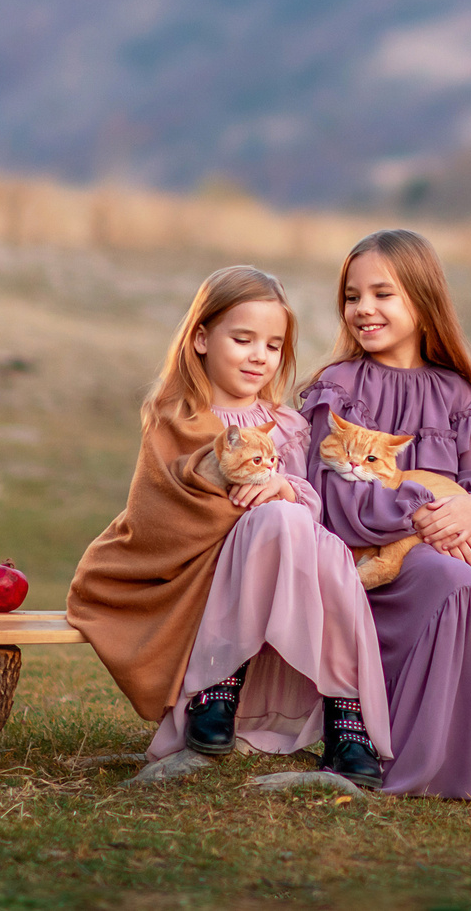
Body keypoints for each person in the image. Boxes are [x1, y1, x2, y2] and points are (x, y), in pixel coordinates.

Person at [67, 265, 388, 786]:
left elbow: (308, 506)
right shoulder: (178, 415)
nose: (260, 355)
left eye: (274, 345)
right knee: (282, 519)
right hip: (201, 572)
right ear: (200, 338)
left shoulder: (287, 425)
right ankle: (216, 684)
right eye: (243, 339)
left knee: (317, 541)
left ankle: (347, 717)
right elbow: (163, 509)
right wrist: (250, 494)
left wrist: (283, 490)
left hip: (283, 569)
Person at [300, 229, 471, 798]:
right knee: (450, 575)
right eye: (353, 297)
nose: (363, 309)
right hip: (376, 564)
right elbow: (333, 502)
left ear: (422, 299)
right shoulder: (339, 387)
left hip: (455, 543)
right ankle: (428, 766)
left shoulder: (458, 394)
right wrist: (430, 514)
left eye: (383, 294)